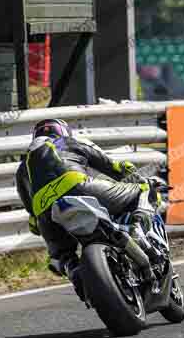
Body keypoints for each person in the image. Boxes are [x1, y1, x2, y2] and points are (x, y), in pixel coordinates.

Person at [15, 119, 163, 299]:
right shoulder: (67, 142)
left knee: (61, 255)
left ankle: (72, 269)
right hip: (81, 187)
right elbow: (114, 166)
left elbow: (32, 218)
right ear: (62, 131)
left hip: (45, 211)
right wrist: (133, 175)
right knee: (144, 189)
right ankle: (137, 229)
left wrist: (38, 223)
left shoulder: (23, 167)